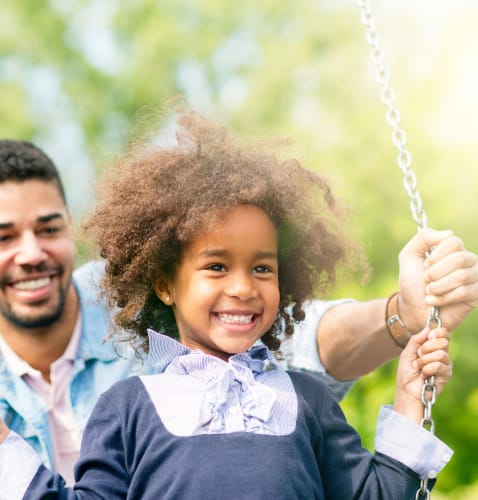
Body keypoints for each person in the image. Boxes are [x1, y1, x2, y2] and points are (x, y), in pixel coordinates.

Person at [0, 111, 454, 498]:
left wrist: (411, 397)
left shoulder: (304, 401)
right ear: (164, 284)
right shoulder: (127, 407)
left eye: (262, 269)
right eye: (216, 267)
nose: (242, 288)